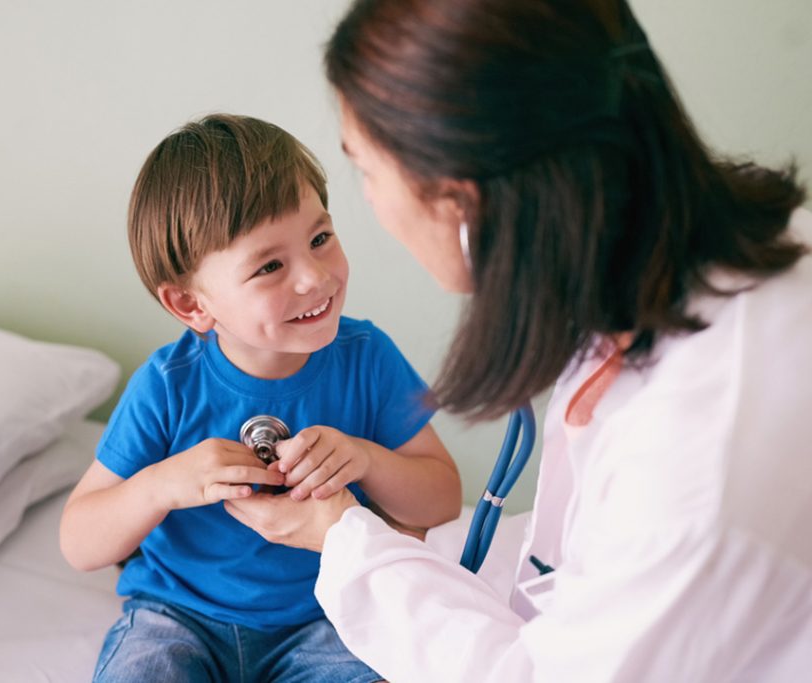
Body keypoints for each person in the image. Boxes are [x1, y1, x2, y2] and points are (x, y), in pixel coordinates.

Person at [224, 0, 812, 680]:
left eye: (365, 170)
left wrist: (342, 537)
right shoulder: (678, 282)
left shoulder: (696, 475)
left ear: (462, 202)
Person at [59, 113, 461, 682]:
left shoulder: (367, 357)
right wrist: (163, 485)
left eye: (320, 238)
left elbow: (442, 498)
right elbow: (79, 542)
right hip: (179, 617)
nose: (315, 277)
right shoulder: (168, 385)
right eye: (270, 266)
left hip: (327, 615)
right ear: (192, 306)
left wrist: (368, 460)